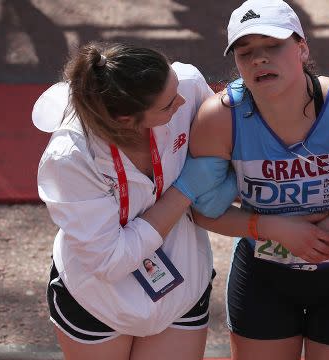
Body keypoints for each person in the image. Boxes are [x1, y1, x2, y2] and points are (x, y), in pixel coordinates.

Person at [189, 1, 329, 359]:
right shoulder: (219, 118)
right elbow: (199, 210)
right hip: (263, 277)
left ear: (302, 48)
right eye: (246, 53)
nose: (259, 59)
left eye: (273, 46)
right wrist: (272, 228)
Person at [33, 42, 237, 360]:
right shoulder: (69, 157)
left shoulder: (185, 83)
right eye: (169, 105)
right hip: (98, 300)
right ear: (126, 119)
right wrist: (183, 192)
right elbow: (109, 260)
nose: (183, 102)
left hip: (181, 289)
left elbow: (231, 145)